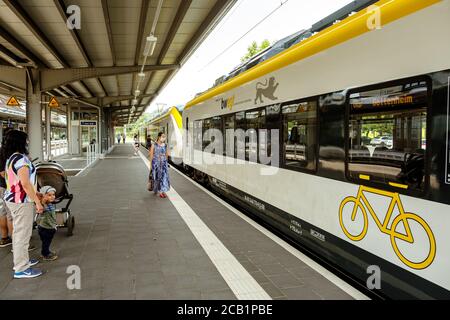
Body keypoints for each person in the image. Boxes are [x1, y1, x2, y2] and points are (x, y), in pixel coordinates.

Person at [3, 130, 43, 278]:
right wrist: (37, 201)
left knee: (19, 232)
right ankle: (21, 268)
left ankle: (23, 260)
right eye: (26, 141)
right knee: (22, 234)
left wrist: (34, 193)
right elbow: (25, 184)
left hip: (13, 199)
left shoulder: (11, 158)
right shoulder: (22, 160)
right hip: (21, 201)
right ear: (21, 142)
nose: (27, 143)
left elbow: (18, 183)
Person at [36, 186, 58, 261]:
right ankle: (45, 254)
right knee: (46, 242)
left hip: (48, 227)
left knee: (46, 242)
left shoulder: (49, 204)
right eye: (49, 195)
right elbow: (41, 207)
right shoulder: (43, 205)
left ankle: (46, 251)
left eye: (53, 195)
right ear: (44, 196)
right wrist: (43, 200)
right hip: (45, 228)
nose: (52, 197)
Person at [0, 128, 13, 248]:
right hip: (8, 186)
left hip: (1, 186)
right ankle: (16, 241)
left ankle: (4, 238)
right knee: (11, 214)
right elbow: (3, 173)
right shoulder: (7, 152)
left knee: (3, 211)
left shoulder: (0, 150)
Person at [149, 132, 170, 198]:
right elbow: (151, 155)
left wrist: (166, 162)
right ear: (159, 137)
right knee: (157, 177)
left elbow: (166, 154)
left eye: (164, 137)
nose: (164, 138)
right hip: (156, 164)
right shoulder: (154, 145)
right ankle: (157, 190)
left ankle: (162, 191)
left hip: (163, 164)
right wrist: (150, 165)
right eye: (163, 136)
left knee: (164, 177)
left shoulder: (165, 145)